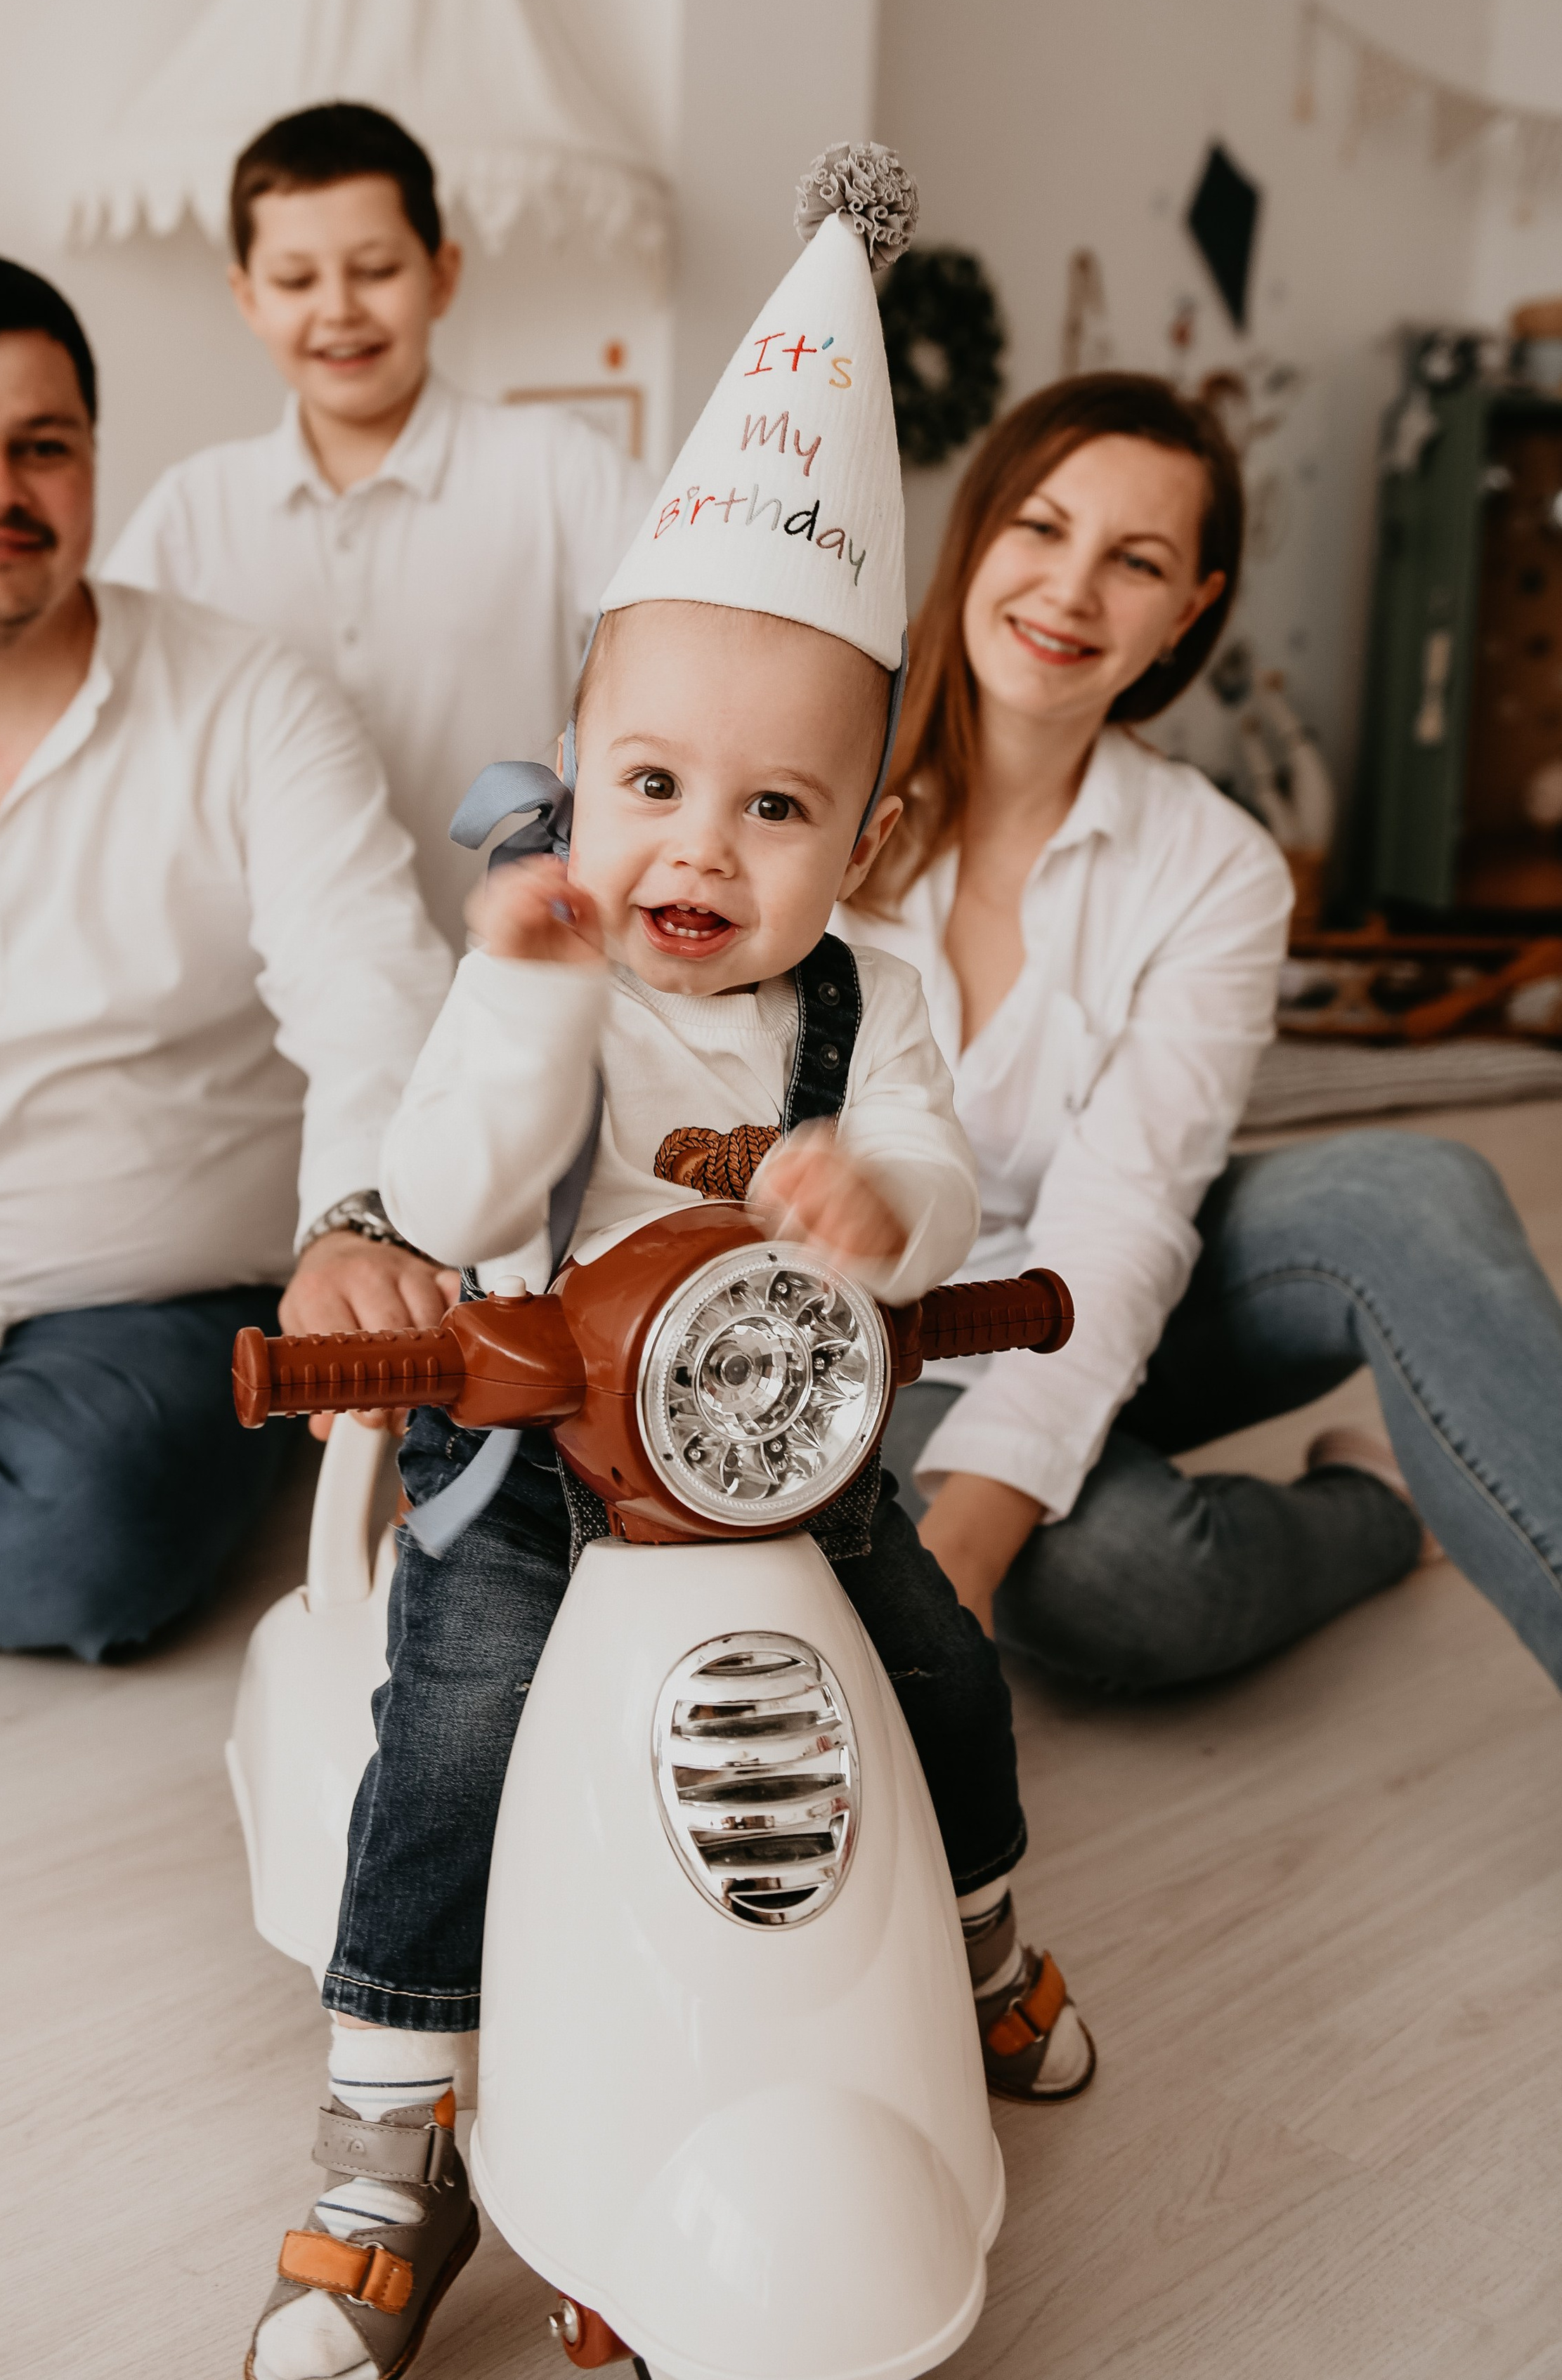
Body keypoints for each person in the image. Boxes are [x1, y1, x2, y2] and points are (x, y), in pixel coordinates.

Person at [245, 154, 1094, 2380]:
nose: (697, 849)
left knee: (931, 1674)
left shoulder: (869, 997)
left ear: (866, 837)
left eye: (775, 809)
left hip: (774, 1458)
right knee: (451, 1734)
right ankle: (387, 2127)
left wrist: (879, 1209)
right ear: (577, 774)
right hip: (539, 1456)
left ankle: (973, 1939)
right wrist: (530, 992)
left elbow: (939, 1177)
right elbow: (452, 1185)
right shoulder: (541, 958)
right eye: (648, 784)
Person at [0, 251, 454, 1660]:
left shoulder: (252, 703)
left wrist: (358, 1225)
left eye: (41, 446)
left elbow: (371, 984)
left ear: (89, 459)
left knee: (84, 1535)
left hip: (139, 1309)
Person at [842, 370, 1562, 1694]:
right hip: (868, 1342)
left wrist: (966, 1556)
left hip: (1102, 1300)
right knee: (1129, 1579)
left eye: (1137, 562)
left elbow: (1123, 1219)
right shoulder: (816, 789)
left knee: (1417, 1196)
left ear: (1190, 610)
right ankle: (1376, 1509)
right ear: (977, 531)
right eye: (1042, 528)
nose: (1071, 592)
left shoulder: (1218, 865)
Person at [0, 107, 653, 953]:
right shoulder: (199, 504)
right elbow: (61, 636)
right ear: (246, 295)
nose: (338, 308)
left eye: (376, 270)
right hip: (268, 966)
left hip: (517, 949)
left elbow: (689, 633)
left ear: (442, 275)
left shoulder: (556, 468)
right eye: (296, 281)